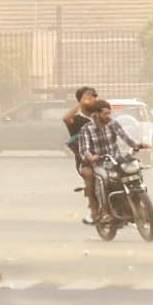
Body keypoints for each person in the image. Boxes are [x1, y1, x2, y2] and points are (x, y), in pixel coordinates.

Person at [79, 99, 151, 223]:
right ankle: (105, 212)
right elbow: (85, 149)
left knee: (134, 172)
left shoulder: (113, 124)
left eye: (109, 113)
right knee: (103, 179)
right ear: (96, 114)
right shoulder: (87, 129)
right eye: (105, 114)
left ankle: (137, 202)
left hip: (115, 160)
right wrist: (91, 157)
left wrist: (136, 145)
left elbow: (125, 136)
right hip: (98, 163)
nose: (108, 116)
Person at [63, 86, 98, 225]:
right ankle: (93, 211)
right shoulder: (76, 120)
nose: (92, 98)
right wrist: (81, 103)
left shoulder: (99, 116)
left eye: (94, 95)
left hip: (103, 156)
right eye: (88, 96)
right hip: (86, 160)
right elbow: (66, 118)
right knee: (89, 175)